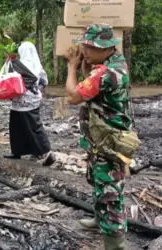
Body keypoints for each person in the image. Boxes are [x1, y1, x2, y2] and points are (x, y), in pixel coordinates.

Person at [65, 24, 133, 250]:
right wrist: (87, 68)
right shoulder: (113, 63)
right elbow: (93, 91)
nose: (85, 50)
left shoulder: (105, 72)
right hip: (102, 140)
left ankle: (115, 244)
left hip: (108, 143)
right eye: (85, 44)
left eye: (91, 47)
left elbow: (73, 97)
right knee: (98, 181)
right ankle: (98, 220)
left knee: (110, 192)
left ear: (107, 49)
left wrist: (72, 68)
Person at [3, 42, 55, 166]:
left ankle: (47, 152)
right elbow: (44, 82)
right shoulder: (38, 66)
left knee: (17, 126)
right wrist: (35, 91)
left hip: (19, 100)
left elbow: (9, 79)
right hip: (33, 100)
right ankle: (22, 151)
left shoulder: (18, 65)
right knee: (32, 126)